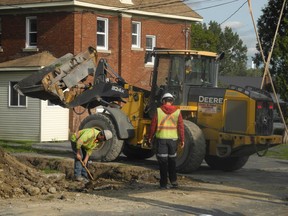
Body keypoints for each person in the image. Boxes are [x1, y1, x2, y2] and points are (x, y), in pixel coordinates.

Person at [148, 93, 184, 189]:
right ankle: (174, 182)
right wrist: (182, 140)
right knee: (172, 161)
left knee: (163, 162)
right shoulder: (177, 111)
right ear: (172, 101)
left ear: (163, 101)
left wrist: (150, 137)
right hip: (173, 141)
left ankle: (163, 184)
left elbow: (153, 126)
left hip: (162, 140)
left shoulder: (158, 111)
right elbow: (181, 127)